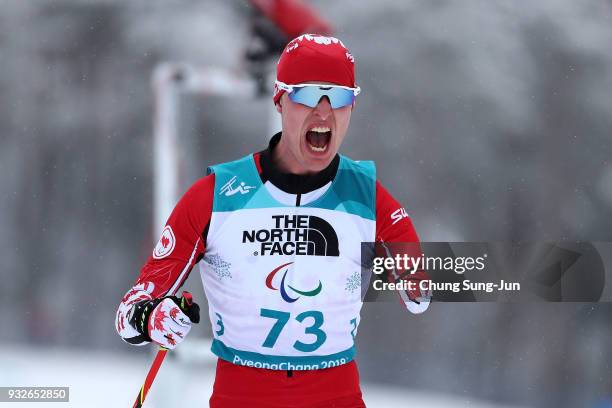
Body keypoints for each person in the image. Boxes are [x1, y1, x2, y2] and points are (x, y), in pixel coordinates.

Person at [116, 33, 430, 408]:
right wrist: (151, 317)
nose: (324, 113)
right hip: (242, 395)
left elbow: (424, 287)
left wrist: (416, 280)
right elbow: (129, 312)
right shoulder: (215, 196)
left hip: (336, 395)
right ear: (280, 99)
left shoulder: (369, 198)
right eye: (310, 95)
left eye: (340, 97)